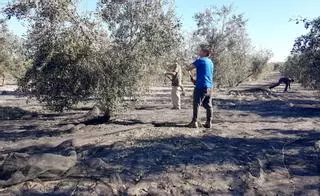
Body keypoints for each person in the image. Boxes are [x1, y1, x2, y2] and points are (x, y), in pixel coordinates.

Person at [187, 47, 214, 128]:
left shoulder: (200, 60)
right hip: (209, 86)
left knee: (196, 103)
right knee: (208, 105)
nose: (199, 51)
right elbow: (205, 74)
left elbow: (188, 68)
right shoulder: (210, 62)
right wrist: (195, 80)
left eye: (201, 50)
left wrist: (188, 64)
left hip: (201, 86)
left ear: (205, 52)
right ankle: (209, 122)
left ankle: (194, 122)